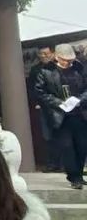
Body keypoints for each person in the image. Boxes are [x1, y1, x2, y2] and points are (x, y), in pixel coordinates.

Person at [31, 43, 87, 190]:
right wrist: (58, 102)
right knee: (67, 146)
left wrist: (80, 100)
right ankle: (74, 177)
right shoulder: (45, 72)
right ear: (56, 57)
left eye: (70, 60)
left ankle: (79, 174)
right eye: (64, 60)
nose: (67, 62)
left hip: (80, 113)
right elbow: (40, 92)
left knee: (82, 146)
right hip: (60, 115)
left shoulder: (79, 69)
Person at [27, 48, 58, 172]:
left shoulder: (58, 67)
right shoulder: (35, 70)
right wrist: (36, 103)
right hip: (43, 106)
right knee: (47, 135)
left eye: (46, 53)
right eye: (41, 54)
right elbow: (32, 88)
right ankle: (51, 163)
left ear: (53, 54)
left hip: (59, 105)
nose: (43, 56)